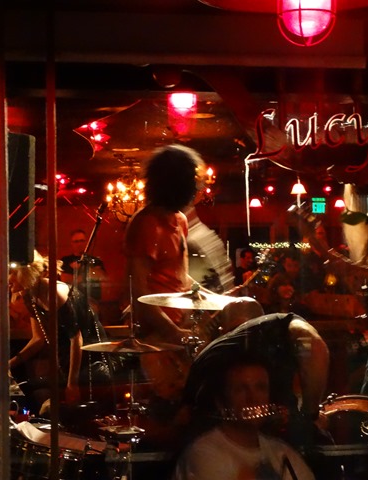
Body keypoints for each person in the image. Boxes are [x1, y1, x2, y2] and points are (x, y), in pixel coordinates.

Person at [123, 144, 214, 403]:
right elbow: (138, 292)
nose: (197, 187)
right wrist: (173, 332)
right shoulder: (146, 224)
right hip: (154, 336)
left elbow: (179, 276)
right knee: (172, 404)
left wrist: (211, 297)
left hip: (177, 330)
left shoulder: (180, 220)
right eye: (192, 180)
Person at [182, 298, 331, 453]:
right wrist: (311, 415)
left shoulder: (206, 358)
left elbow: (184, 418)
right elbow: (315, 349)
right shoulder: (278, 324)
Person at [173, 352, 317, 480]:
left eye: (260, 388)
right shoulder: (204, 455)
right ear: (221, 402)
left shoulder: (280, 452)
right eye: (241, 389)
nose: (253, 399)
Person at [8, 250, 113, 414]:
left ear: (26, 274)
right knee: (32, 390)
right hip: (67, 360)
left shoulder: (55, 293)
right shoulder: (30, 296)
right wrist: (9, 364)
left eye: (13, 273)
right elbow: (38, 339)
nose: (8, 279)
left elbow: (76, 339)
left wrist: (72, 384)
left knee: (85, 412)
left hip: (90, 359)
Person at [60, 228, 106, 315]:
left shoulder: (95, 261)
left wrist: (77, 274)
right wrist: (88, 274)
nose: (79, 244)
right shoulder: (65, 261)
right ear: (71, 243)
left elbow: (101, 276)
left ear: (86, 242)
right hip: (71, 302)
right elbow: (65, 279)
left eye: (82, 241)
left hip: (91, 301)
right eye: (76, 241)